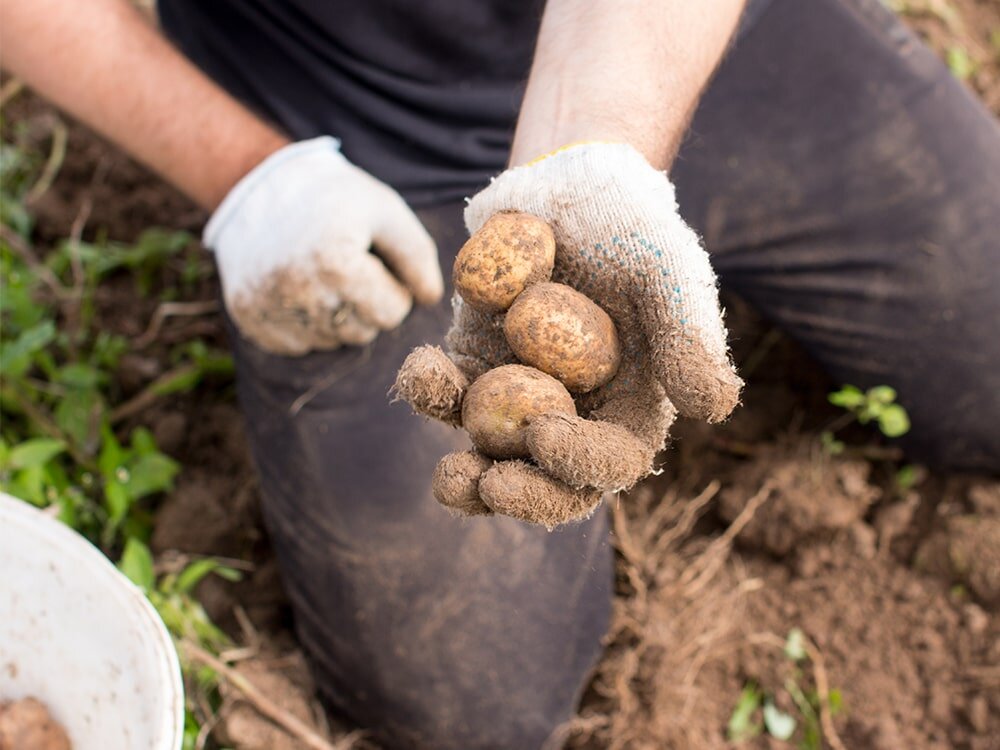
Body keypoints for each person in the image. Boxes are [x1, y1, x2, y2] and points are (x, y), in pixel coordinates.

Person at [2, 0, 997, 747]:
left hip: (683, 37)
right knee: (469, 705)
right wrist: (250, 179)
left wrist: (591, 164)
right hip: (334, 130)